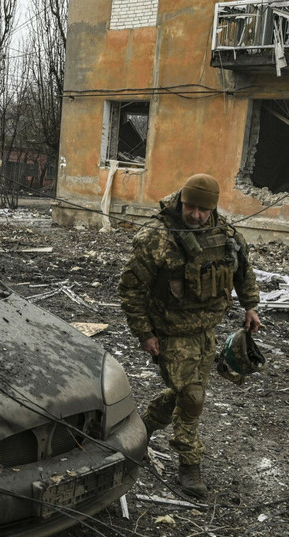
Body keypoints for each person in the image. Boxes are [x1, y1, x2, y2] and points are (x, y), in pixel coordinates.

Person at [118, 174, 261, 499]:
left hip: (205, 332)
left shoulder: (225, 234)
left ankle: (140, 429)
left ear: (213, 207)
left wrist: (250, 306)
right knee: (193, 398)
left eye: (203, 209)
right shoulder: (156, 237)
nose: (195, 215)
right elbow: (130, 289)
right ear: (181, 200)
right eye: (190, 206)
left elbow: (242, 270)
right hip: (169, 334)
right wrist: (144, 334)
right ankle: (189, 464)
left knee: (181, 393)